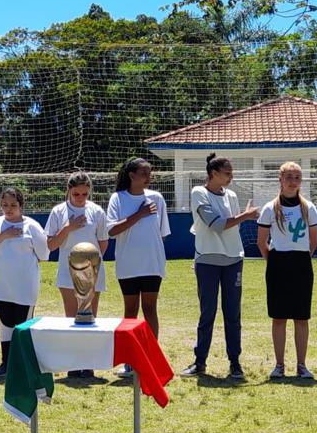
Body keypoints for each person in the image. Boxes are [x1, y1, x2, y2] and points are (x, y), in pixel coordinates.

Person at [180, 154, 259, 380]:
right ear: (213, 174)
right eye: (227, 173)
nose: (231, 177)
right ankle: (200, 362)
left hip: (234, 259)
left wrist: (242, 216)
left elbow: (231, 223)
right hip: (207, 260)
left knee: (233, 314)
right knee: (208, 313)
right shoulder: (199, 193)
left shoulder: (231, 195)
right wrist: (246, 216)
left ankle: (235, 364)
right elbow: (216, 225)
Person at [106, 157, 171, 378]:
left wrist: (157, 259)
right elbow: (112, 231)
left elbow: (161, 234)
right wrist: (139, 214)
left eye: (149, 173)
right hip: (127, 264)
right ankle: (130, 360)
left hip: (152, 264)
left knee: (150, 309)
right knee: (131, 311)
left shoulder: (157, 198)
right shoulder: (118, 198)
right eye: (144, 173)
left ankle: (151, 358)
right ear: (132, 175)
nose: (148, 177)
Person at [256, 162, 317, 380]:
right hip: (277, 265)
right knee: (279, 317)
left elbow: (313, 242)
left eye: (297, 177)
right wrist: (274, 261)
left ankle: (302, 365)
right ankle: (279, 365)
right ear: (280, 179)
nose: (293, 182)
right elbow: (261, 242)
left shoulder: (308, 208)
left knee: (301, 318)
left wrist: (300, 258)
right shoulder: (269, 208)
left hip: (301, 264)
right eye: (289, 177)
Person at [0, 187, 50, 378]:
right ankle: (6, 363)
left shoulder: (32, 226)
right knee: (5, 324)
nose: (8, 209)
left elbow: (44, 254)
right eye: (4, 205)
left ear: (21, 205)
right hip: (0, 286)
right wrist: (4, 235)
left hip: (24, 287)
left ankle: (25, 363)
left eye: (13, 205)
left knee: (22, 325)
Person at [45, 171, 109, 379]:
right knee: (72, 319)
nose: (81, 198)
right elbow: (51, 244)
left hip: (92, 270)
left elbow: (103, 243)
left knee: (90, 318)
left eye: (84, 194)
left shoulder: (97, 212)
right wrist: (68, 228)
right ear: (69, 192)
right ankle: (74, 364)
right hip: (67, 270)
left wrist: (89, 266)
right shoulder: (58, 211)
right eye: (76, 194)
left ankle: (88, 364)